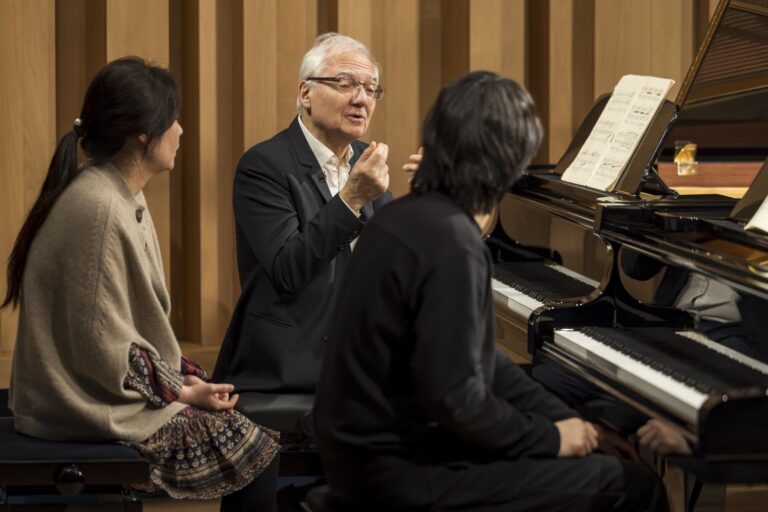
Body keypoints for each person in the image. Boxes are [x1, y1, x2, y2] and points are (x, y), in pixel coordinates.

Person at [313, 71, 668, 512]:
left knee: (592, 455)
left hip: (359, 455)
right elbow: (458, 401)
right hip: (399, 472)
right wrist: (552, 437)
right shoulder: (451, 243)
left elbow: (481, 362)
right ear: (506, 165)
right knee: (633, 486)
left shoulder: (400, 218)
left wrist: (564, 418)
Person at [2, 57, 280, 512]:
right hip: (80, 402)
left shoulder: (118, 190)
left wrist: (185, 381)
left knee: (247, 434)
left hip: (94, 387)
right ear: (143, 135)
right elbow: (101, 346)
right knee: (254, 450)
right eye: (173, 119)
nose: (182, 131)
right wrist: (184, 391)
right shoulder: (99, 206)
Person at [212, 33, 391, 393]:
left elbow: (390, 266)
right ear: (305, 93)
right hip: (290, 365)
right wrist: (351, 198)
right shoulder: (263, 165)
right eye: (345, 84)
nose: (361, 99)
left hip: (363, 359)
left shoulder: (365, 160)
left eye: (371, 89)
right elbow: (288, 270)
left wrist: (427, 204)